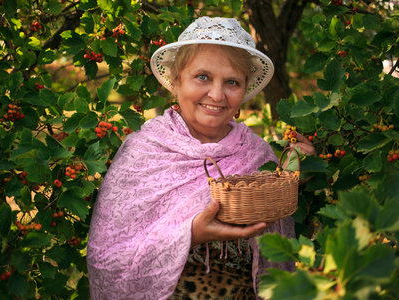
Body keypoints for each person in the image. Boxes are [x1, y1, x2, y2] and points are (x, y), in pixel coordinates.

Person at [87, 16, 315, 299]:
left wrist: (295, 171)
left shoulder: (257, 153)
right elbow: (107, 259)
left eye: (232, 82)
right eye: (202, 77)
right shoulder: (142, 154)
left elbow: (271, 209)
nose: (217, 94)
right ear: (176, 82)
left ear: (244, 91)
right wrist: (190, 235)